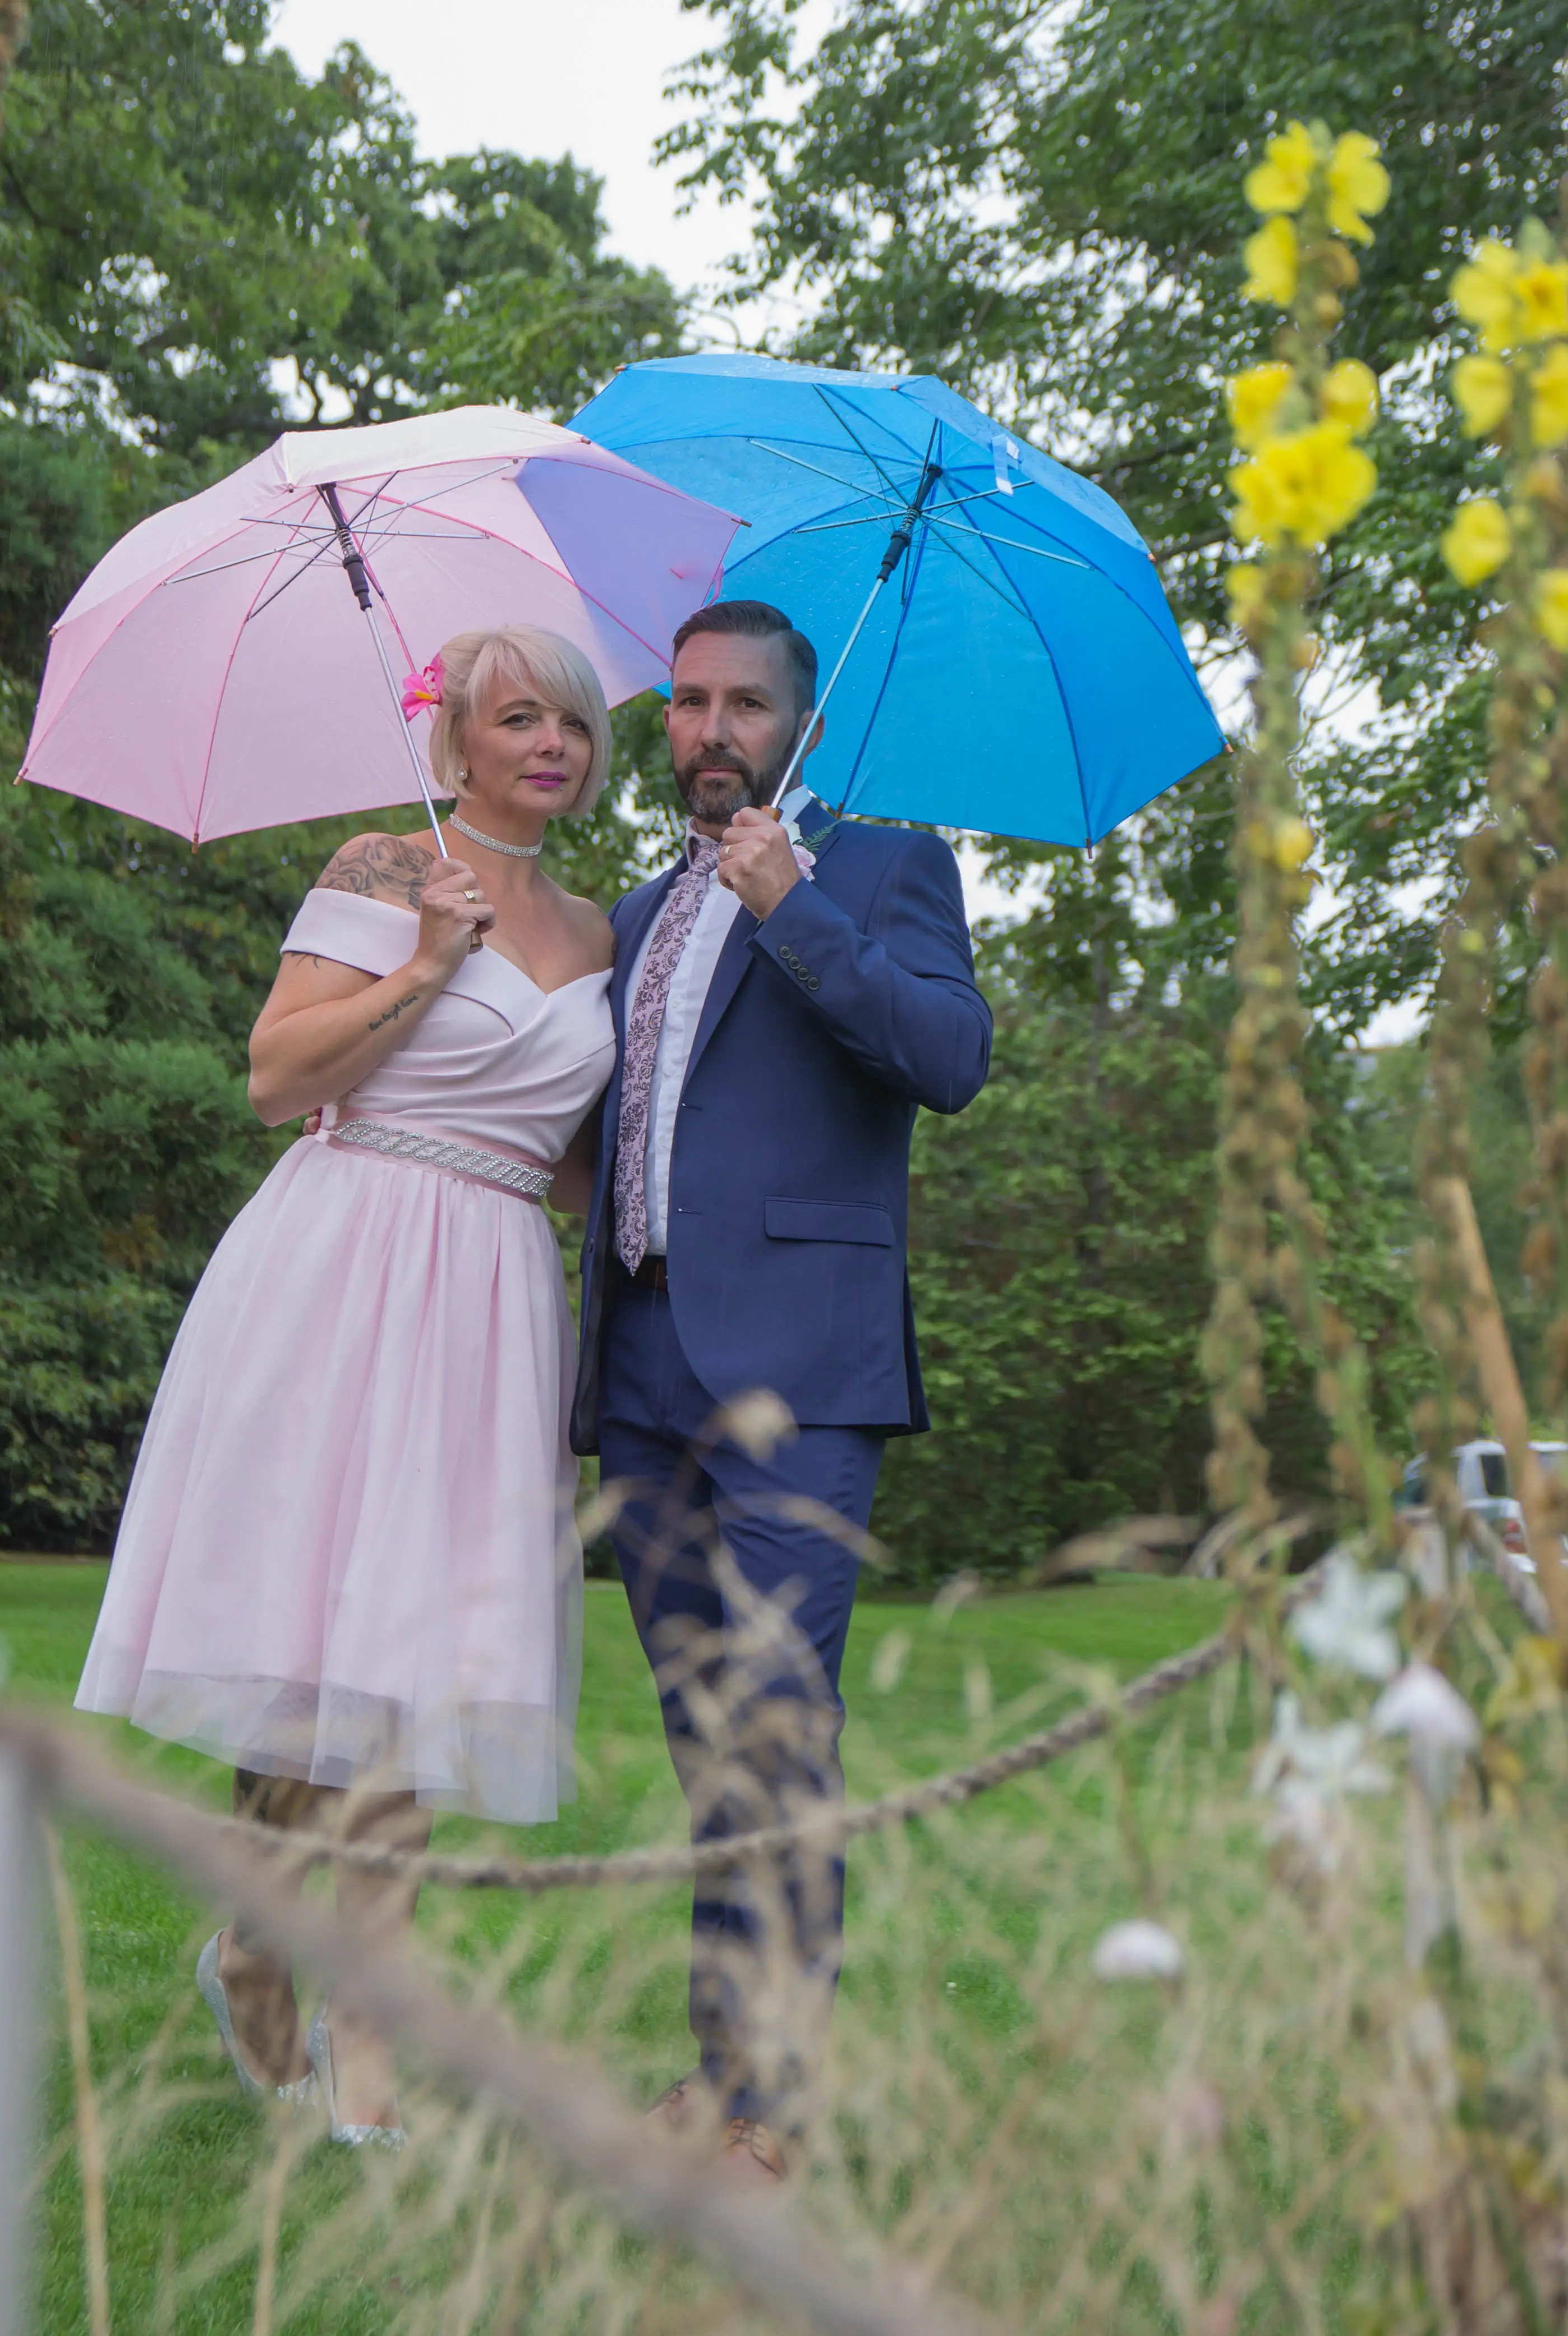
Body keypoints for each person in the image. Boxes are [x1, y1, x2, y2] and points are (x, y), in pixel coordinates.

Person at [76, 625, 617, 2144]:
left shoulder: (599, 925)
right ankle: (257, 1944)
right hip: (343, 1261)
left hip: (495, 1291)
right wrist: (434, 961)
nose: (551, 745)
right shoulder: (389, 867)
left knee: (419, 1669)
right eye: (518, 718)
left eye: (570, 722)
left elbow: (569, 1158)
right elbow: (274, 1075)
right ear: (453, 739)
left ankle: (364, 2054)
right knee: (314, 1658)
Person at [571, 599, 992, 2179]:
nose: (708, 730)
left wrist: (797, 907)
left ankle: (777, 2103)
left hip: (802, 1377)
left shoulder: (882, 863)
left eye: (744, 702)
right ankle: (722, 2066)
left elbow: (949, 1054)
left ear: (799, 722)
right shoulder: (630, 912)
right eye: (685, 702)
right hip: (640, 1367)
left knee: (777, 1730)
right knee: (706, 1743)